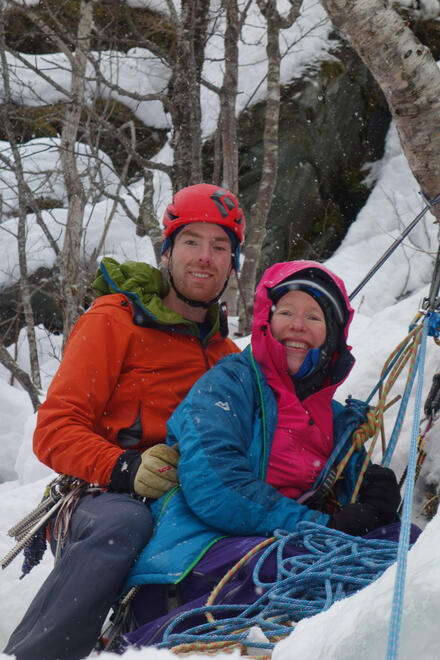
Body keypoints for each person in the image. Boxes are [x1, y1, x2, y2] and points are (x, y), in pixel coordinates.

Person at [4, 183, 245, 660]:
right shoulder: (115, 320)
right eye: (192, 241)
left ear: (232, 264)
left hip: (192, 499)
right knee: (125, 526)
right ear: (167, 251)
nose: (205, 257)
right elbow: (55, 428)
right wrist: (126, 468)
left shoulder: (227, 357)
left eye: (220, 247)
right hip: (102, 495)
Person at [117, 259, 406, 649]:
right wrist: (321, 524)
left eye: (313, 317)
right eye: (286, 311)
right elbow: (217, 486)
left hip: (285, 548)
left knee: (408, 552)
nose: (297, 326)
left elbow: (351, 515)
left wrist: (376, 503)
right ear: (266, 322)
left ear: (333, 334)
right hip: (200, 554)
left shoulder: (337, 422)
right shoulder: (227, 385)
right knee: (312, 572)